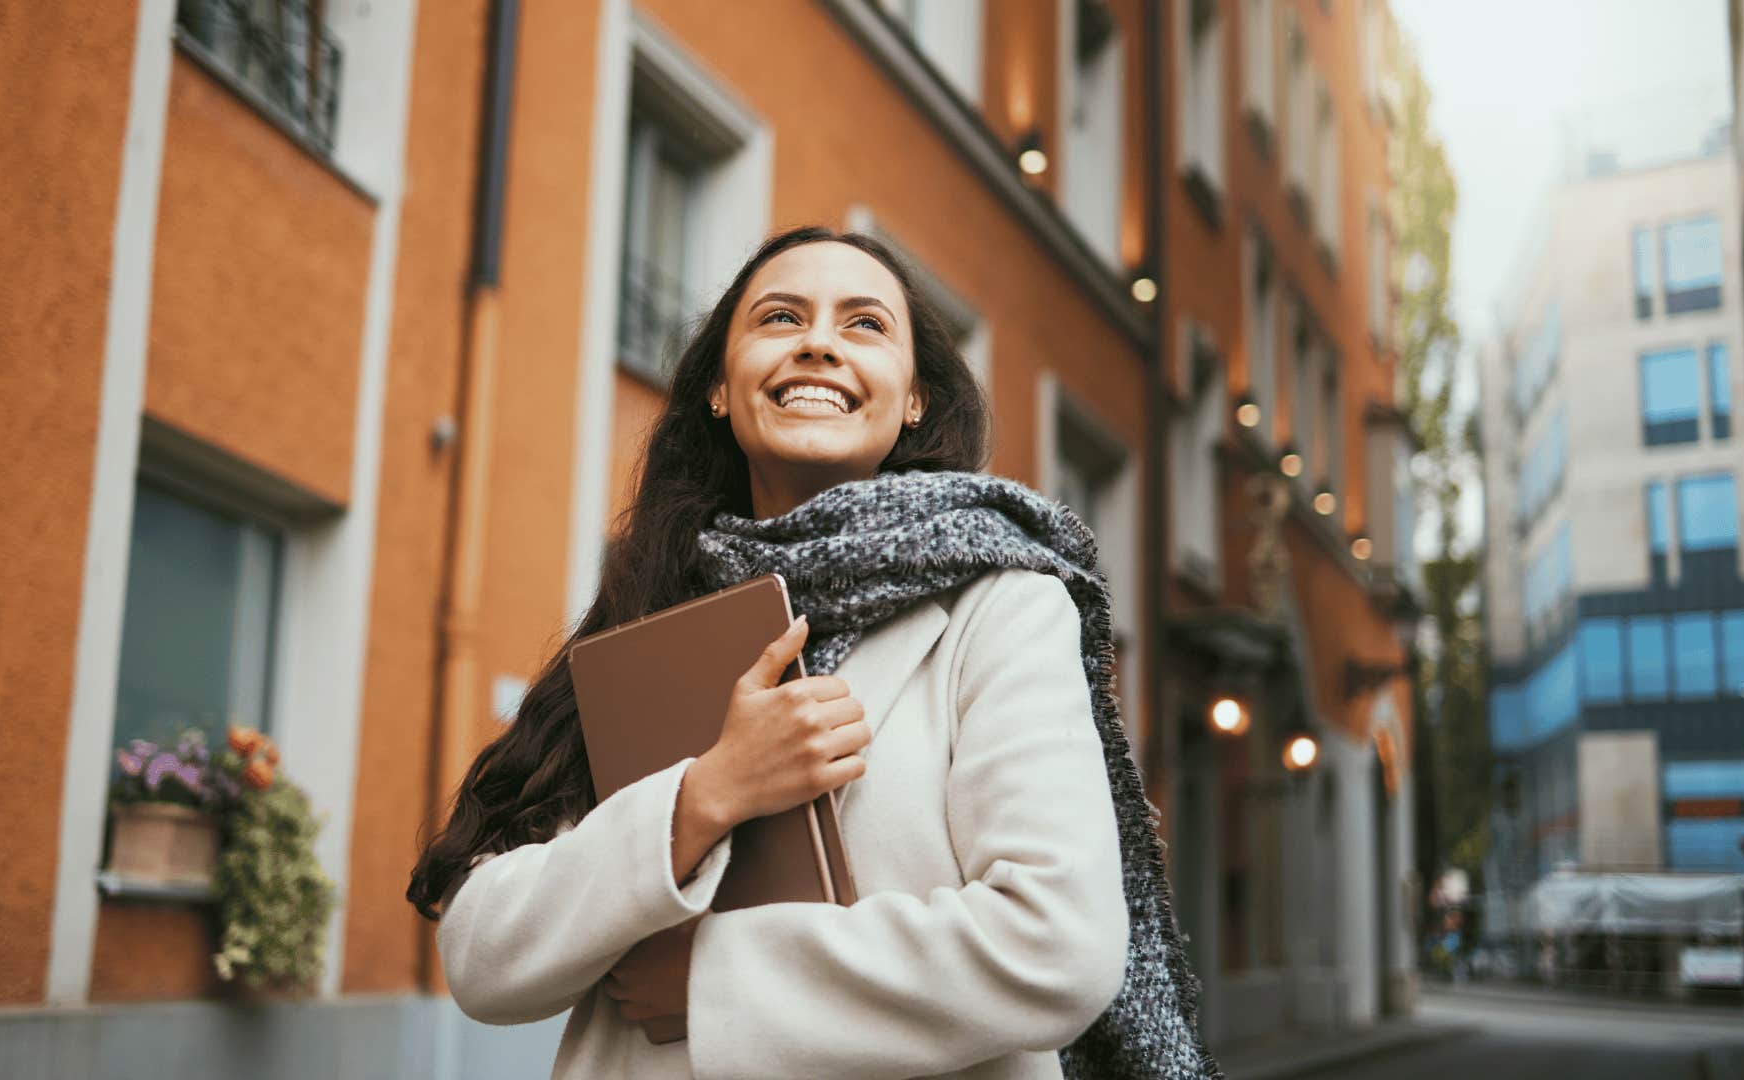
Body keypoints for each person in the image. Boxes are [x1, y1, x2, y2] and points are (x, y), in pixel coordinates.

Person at [406, 226, 1218, 1079]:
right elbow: (483, 959)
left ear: (913, 400)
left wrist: (717, 982)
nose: (820, 343)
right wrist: (707, 795)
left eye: (865, 325)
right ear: (721, 388)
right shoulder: (647, 617)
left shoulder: (1004, 606)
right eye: (780, 318)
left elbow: (1058, 945)